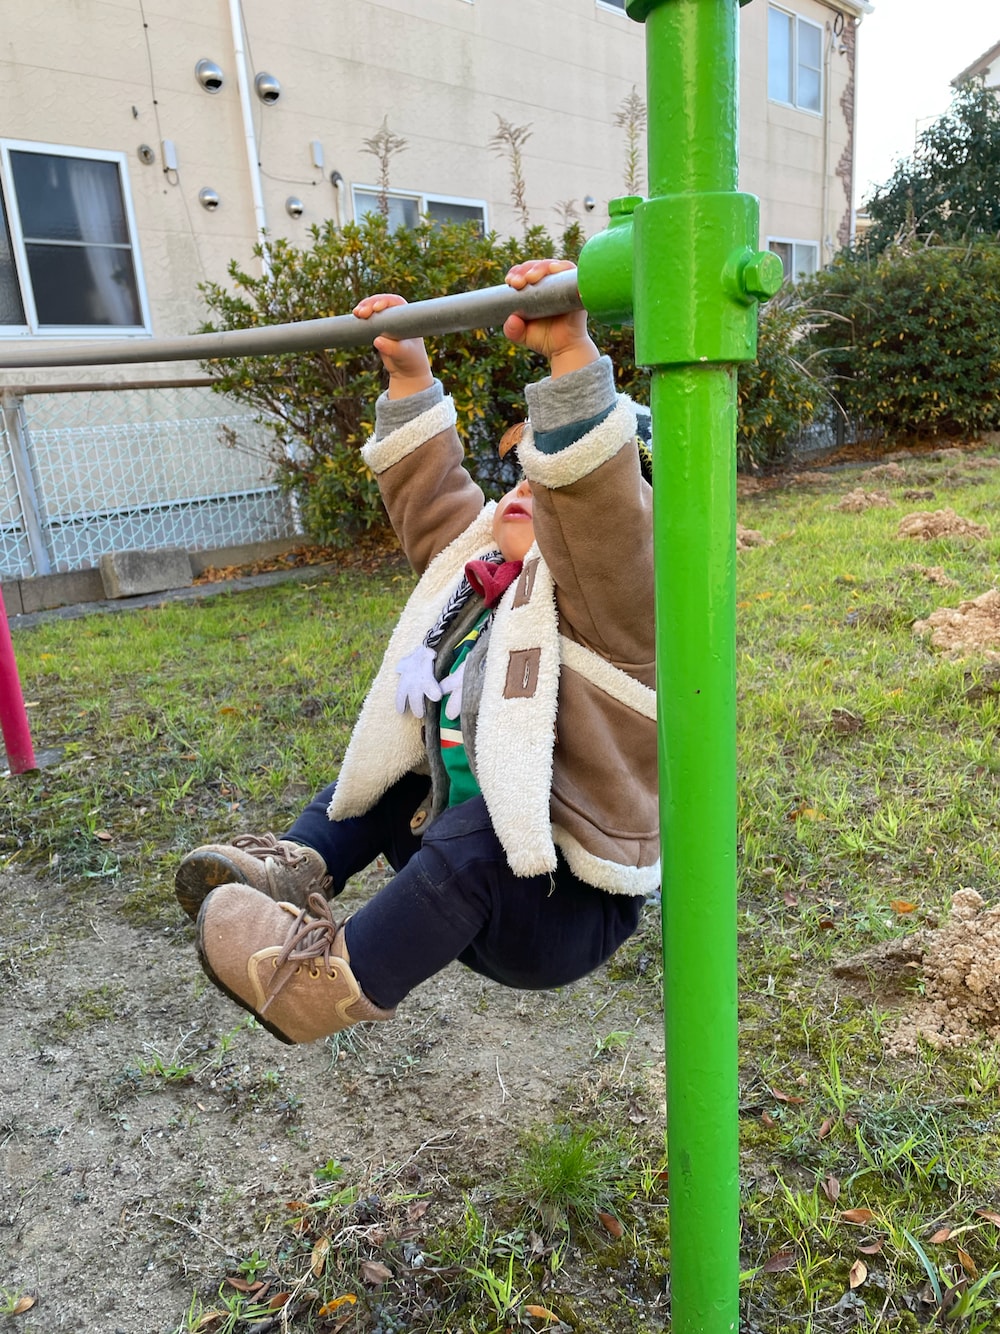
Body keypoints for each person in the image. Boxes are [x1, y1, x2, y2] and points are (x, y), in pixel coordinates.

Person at [179, 258, 659, 1046]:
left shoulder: (620, 613)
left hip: (558, 902)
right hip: (447, 872)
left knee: (474, 844)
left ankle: (321, 987)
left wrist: (571, 356)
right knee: (393, 773)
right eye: (521, 472)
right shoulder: (481, 572)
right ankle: (298, 866)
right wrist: (409, 377)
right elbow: (433, 502)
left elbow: (605, 517)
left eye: (551, 479)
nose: (525, 487)